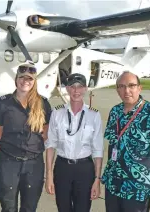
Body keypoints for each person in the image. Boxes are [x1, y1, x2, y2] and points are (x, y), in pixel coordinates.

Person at [101, 71, 150, 212]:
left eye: (131, 86)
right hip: (113, 185)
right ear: (117, 89)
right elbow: (112, 145)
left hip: (138, 190)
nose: (127, 91)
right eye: (122, 86)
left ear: (139, 88)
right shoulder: (115, 112)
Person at [0, 62, 52, 212]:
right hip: (9, 162)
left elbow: (46, 131)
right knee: (8, 207)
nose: (25, 81)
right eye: (22, 77)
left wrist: (30, 146)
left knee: (29, 207)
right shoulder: (3, 102)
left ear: (34, 82)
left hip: (34, 164)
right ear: (16, 79)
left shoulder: (43, 104)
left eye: (30, 79)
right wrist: (14, 147)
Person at [45, 73, 104, 212]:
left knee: (83, 209)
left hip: (84, 169)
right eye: (72, 87)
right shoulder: (57, 113)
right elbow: (51, 145)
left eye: (80, 87)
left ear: (85, 89)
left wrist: (97, 179)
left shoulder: (93, 115)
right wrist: (49, 175)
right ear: (67, 88)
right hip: (62, 168)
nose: (76, 91)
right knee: (63, 208)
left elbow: (98, 150)